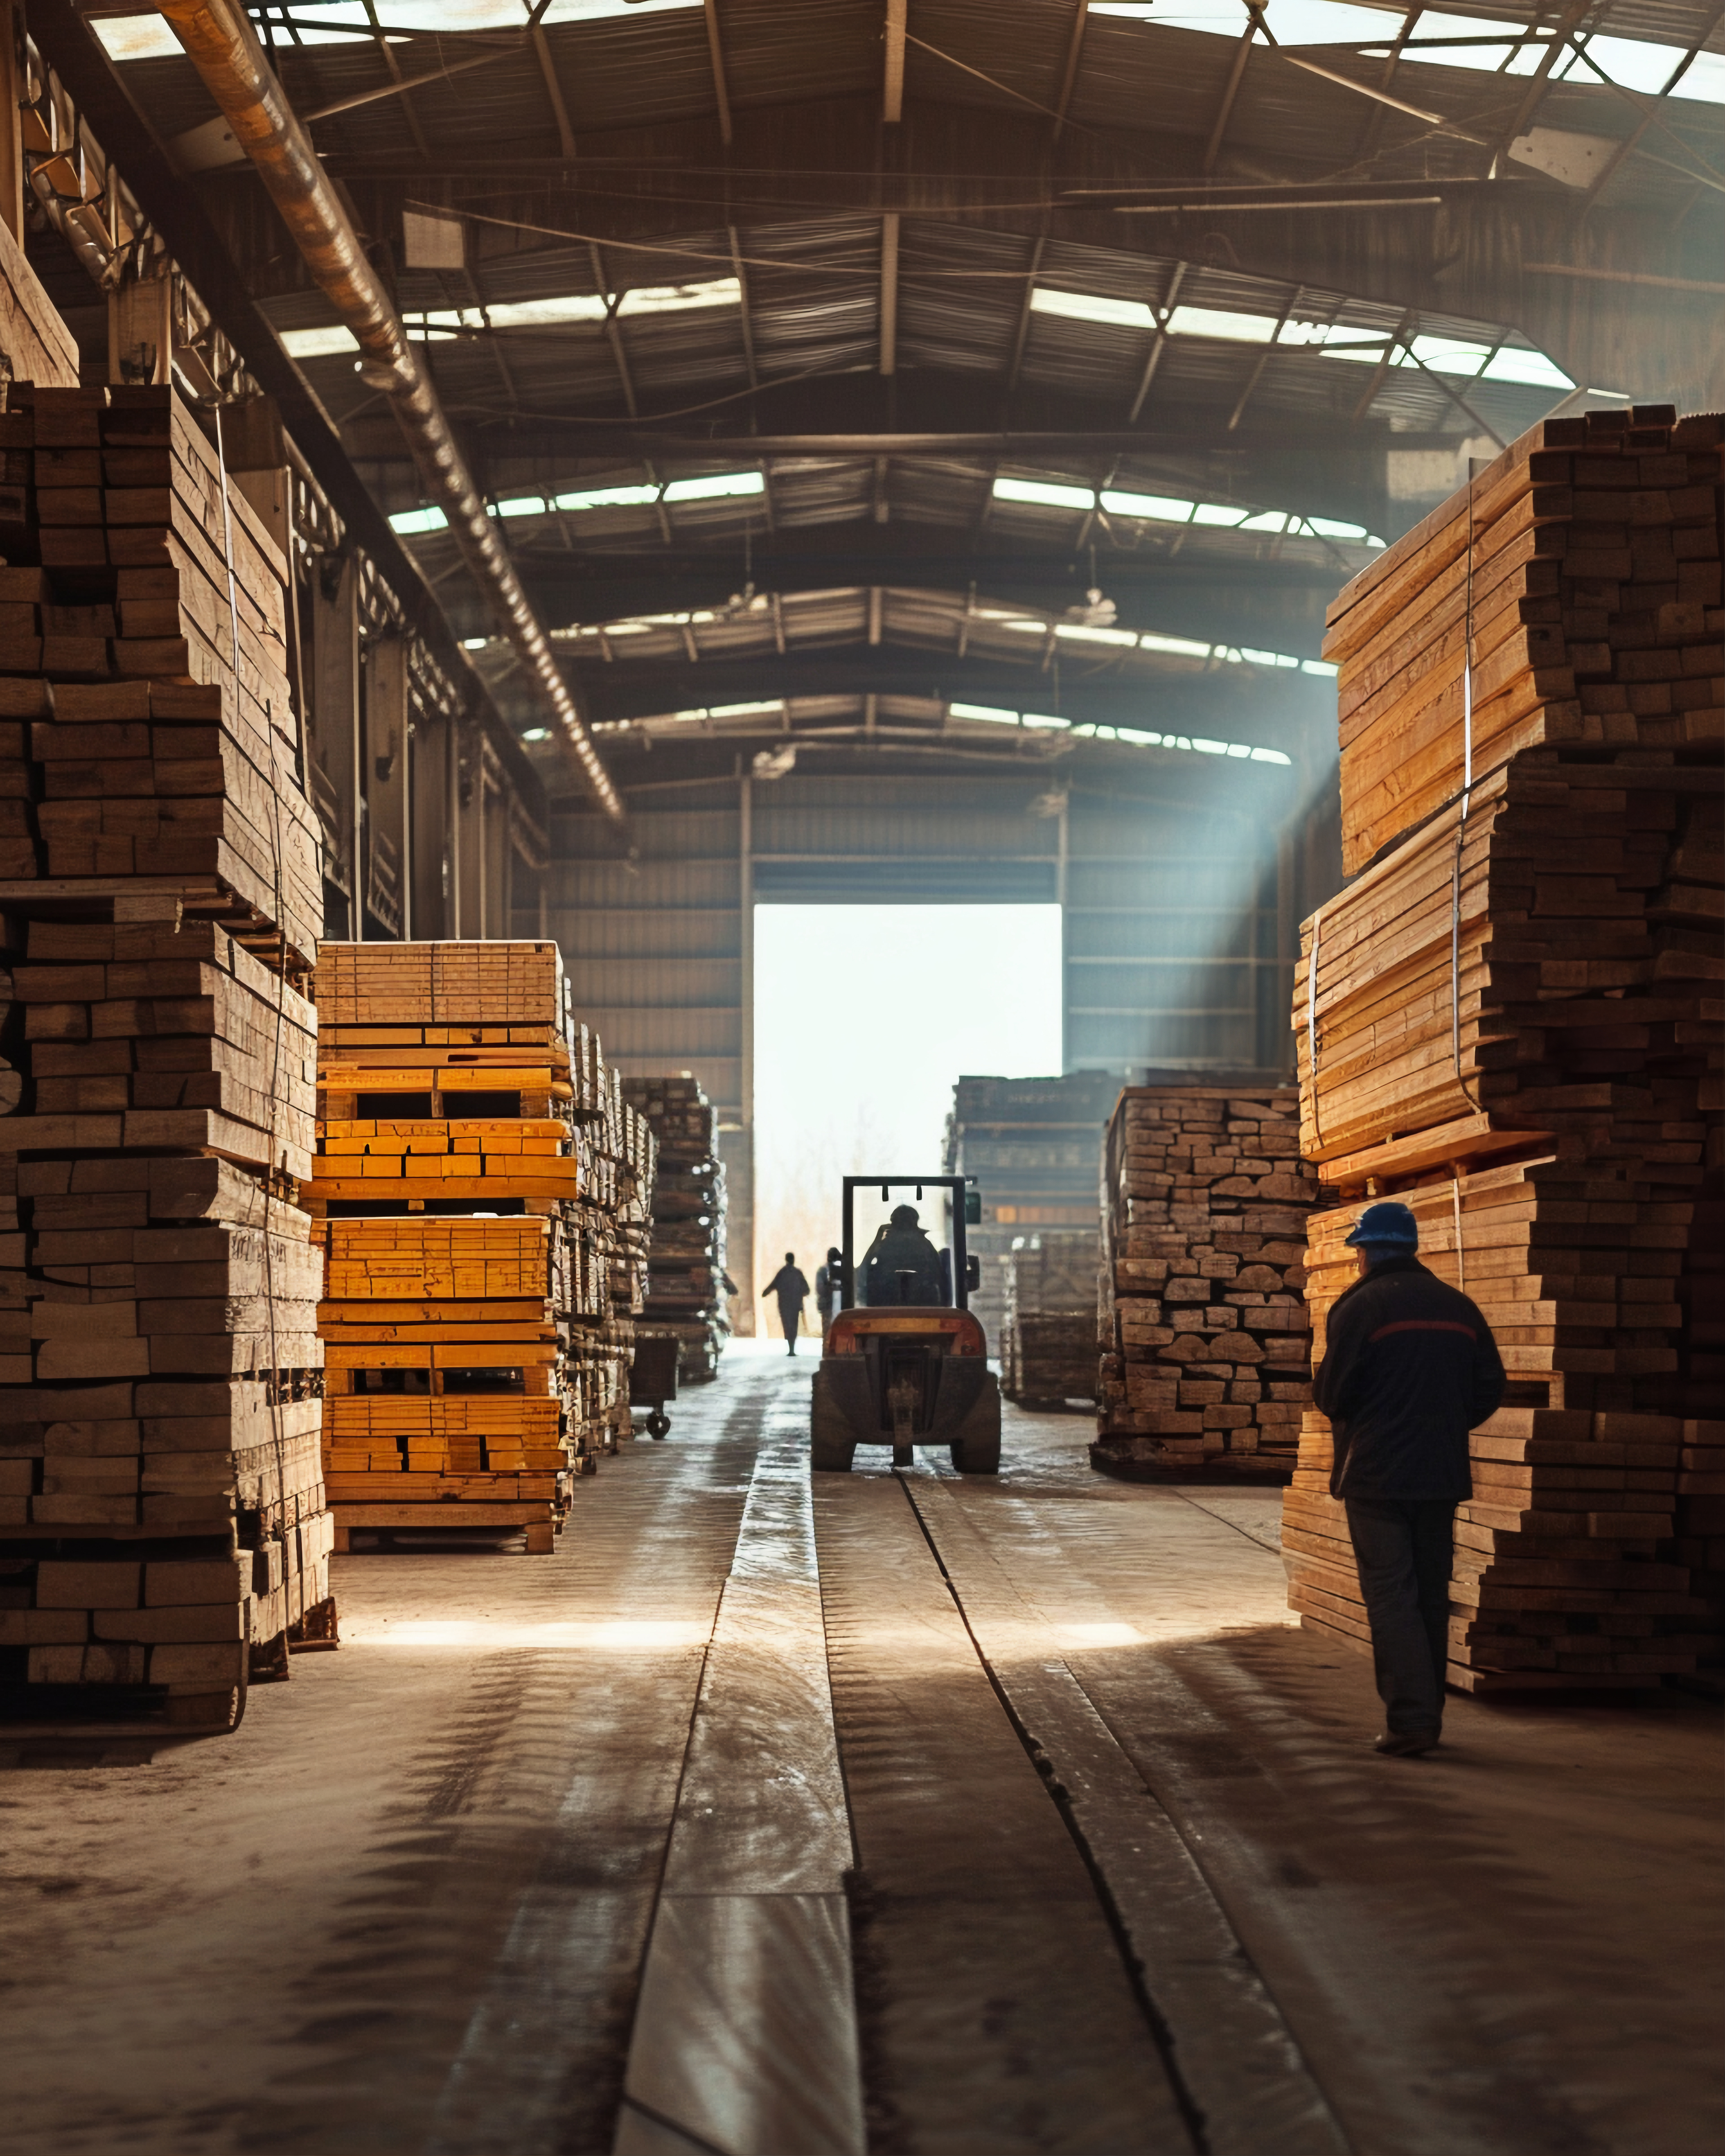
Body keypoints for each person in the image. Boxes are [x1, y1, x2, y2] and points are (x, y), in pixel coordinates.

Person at [1313, 1199, 1504, 1759]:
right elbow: (1490, 1387)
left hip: (1376, 1475)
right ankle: (1428, 1717)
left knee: (1391, 1594)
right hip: (1441, 1473)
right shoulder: (1459, 1307)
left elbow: (1332, 1395)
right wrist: (1443, 1425)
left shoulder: (1360, 1307)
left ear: (1366, 1252)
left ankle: (1411, 1722)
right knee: (1428, 1595)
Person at [858, 1205, 947, 1307]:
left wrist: (877, 1241)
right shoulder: (926, 1244)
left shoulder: (885, 1245)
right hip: (921, 1307)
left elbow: (863, 1272)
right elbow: (939, 1274)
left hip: (887, 1307)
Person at [761, 1252, 810, 1355]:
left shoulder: (782, 1273)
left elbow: (773, 1285)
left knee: (787, 1326)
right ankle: (792, 1349)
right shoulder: (798, 1273)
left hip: (784, 1305)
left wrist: (765, 1293)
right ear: (793, 1260)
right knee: (794, 1326)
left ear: (786, 1260)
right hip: (795, 1304)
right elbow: (807, 1289)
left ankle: (791, 1348)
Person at [814, 1246, 844, 1336]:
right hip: (829, 1306)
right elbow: (821, 1289)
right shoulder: (825, 1271)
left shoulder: (823, 1271)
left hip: (830, 1307)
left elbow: (820, 1289)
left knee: (828, 1334)